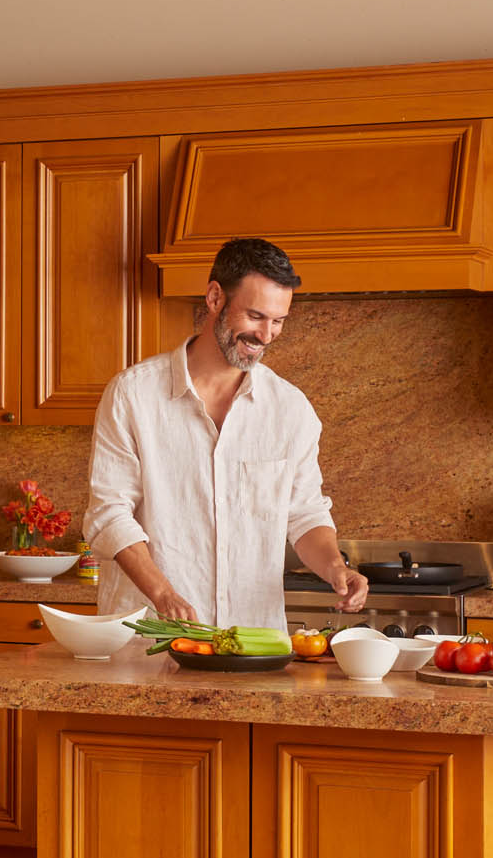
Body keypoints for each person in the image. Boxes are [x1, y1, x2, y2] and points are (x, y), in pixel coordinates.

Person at [83, 236, 367, 630]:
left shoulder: (290, 409)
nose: (266, 335)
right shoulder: (133, 395)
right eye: (255, 316)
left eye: (278, 321)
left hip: (251, 642)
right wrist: (164, 594)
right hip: (149, 639)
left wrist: (336, 567)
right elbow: (109, 514)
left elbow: (304, 514)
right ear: (215, 298)